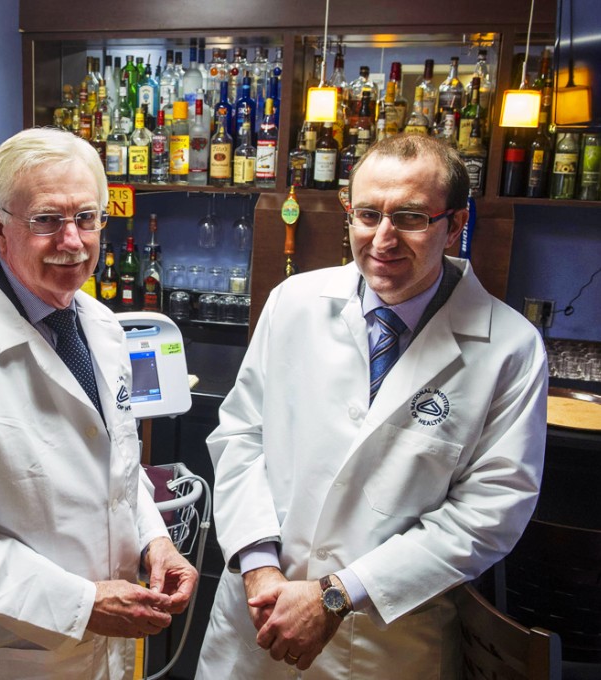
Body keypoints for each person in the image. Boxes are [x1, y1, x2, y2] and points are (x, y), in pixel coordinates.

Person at [195, 133, 547, 679]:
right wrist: (260, 569)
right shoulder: (294, 301)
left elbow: (487, 517)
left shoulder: (510, 347)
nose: (382, 238)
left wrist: (336, 596)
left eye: (410, 217)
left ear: (455, 224)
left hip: (386, 642)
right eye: (366, 214)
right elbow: (240, 436)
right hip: (257, 619)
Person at [0, 126, 197, 679]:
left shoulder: (99, 325)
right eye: (47, 220)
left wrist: (155, 542)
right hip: (5, 654)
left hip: (103, 646)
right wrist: (83, 605)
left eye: (87, 218)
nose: (73, 241)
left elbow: (118, 472)